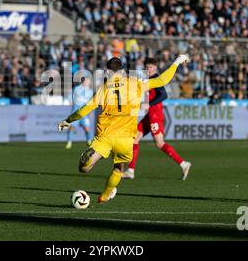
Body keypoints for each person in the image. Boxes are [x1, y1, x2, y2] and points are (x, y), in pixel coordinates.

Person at [58, 54, 189, 204]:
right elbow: (162, 80)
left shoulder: (103, 89)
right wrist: (177, 61)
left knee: (84, 168)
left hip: (105, 137)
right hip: (125, 140)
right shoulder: (136, 83)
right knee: (118, 169)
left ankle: (91, 159)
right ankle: (105, 195)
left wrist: (67, 121)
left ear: (108, 73)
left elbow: (83, 110)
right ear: (122, 71)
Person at [122, 58, 191, 180]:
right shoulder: (147, 80)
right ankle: (130, 171)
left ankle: (183, 164)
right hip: (148, 115)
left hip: (155, 115)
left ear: (156, 67)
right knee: (134, 139)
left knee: (159, 143)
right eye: (147, 67)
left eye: (151, 67)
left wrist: (149, 104)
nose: (149, 69)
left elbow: (164, 95)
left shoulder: (156, 79)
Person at [66, 78, 93, 149]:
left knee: (87, 128)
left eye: (89, 81)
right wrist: (70, 101)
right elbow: (70, 96)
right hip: (75, 112)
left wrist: (90, 111)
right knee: (72, 127)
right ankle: (69, 142)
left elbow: (90, 102)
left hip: (84, 113)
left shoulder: (90, 91)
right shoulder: (77, 88)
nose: (88, 82)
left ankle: (89, 141)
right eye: (87, 81)